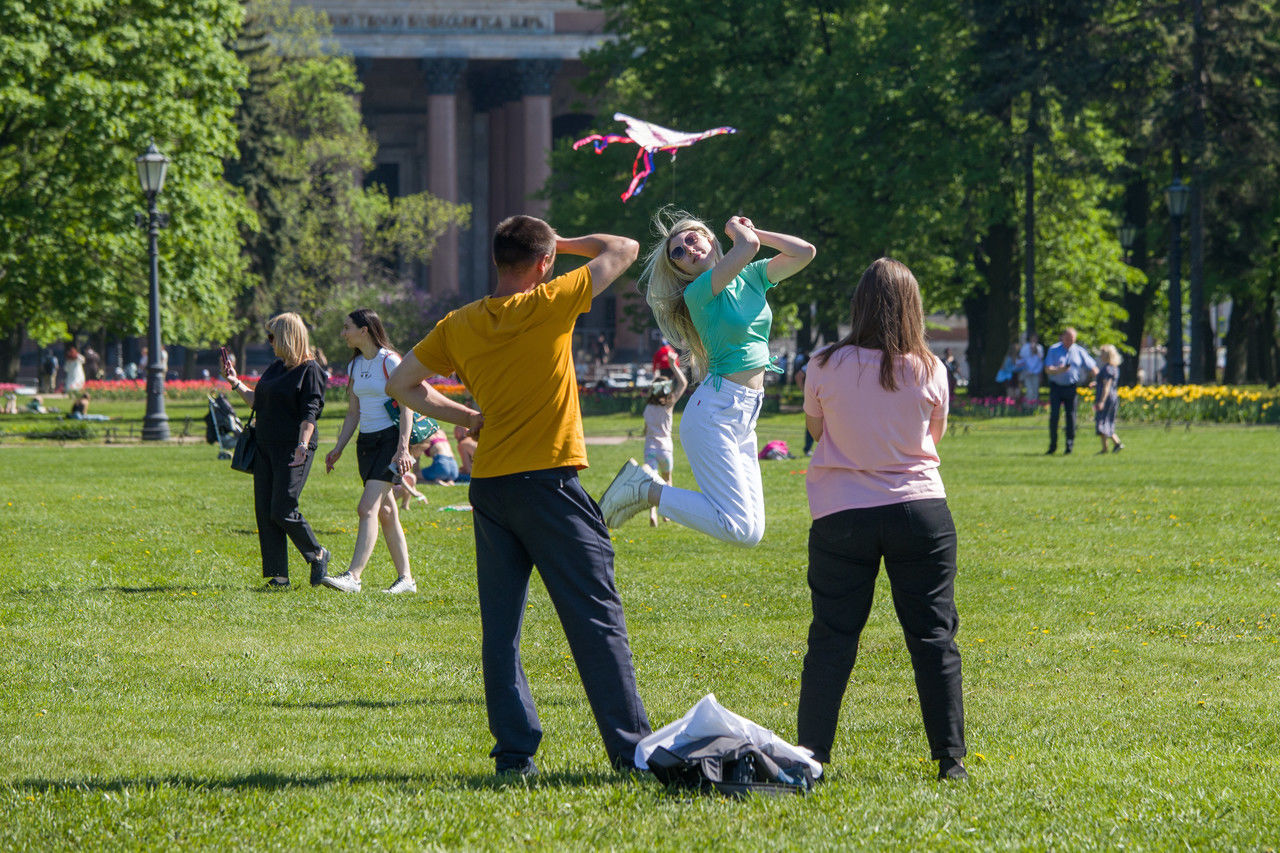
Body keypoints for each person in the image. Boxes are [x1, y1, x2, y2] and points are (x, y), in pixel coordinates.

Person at [386, 214, 650, 776]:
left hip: (492, 489)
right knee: (595, 618)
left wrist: (468, 416)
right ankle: (631, 753)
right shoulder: (551, 300)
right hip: (551, 482)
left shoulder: (458, 324)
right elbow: (622, 245)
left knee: (501, 627)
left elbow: (401, 384)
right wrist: (563, 241)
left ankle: (514, 755)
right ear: (544, 263)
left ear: (496, 262)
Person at [795, 257, 967, 782]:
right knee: (933, 636)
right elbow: (931, 438)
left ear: (859, 304)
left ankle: (812, 757)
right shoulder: (931, 368)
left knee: (831, 637)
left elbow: (815, 428)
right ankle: (950, 760)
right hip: (920, 510)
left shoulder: (823, 365)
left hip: (842, 511)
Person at [599, 208, 816, 544]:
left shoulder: (752, 276)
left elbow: (804, 253)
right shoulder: (697, 293)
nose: (688, 250)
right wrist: (738, 231)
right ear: (681, 270)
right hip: (715, 414)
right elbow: (747, 248)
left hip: (744, 415)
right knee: (738, 528)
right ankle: (645, 489)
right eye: (678, 254)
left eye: (691, 239)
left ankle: (645, 488)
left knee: (752, 532)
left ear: (708, 237)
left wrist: (755, 229)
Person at [322, 309, 470, 594]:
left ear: (364, 330)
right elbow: (353, 413)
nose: (343, 333)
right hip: (366, 443)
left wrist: (403, 449)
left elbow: (408, 407)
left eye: (347, 328)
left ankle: (353, 577)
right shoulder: (355, 366)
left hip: (390, 442)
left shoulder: (390, 361)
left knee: (367, 508)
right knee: (387, 511)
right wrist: (339, 447)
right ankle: (407, 580)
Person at [221, 313, 333, 590]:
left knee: (283, 508)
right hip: (265, 444)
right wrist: (235, 382)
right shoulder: (275, 368)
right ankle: (279, 577)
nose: (269, 342)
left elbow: (310, 413)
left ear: (286, 337)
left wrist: (302, 446)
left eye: (272, 337)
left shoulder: (311, 370)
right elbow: (257, 402)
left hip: (294, 447)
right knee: (265, 511)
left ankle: (317, 553)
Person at [642, 369, 688, 526]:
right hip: (665, 449)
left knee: (652, 483)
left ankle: (652, 513)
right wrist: (672, 365)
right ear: (666, 388)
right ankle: (666, 513)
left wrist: (655, 374)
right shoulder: (668, 405)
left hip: (650, 448)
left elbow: (645, 429)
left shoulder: (648, 408)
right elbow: (683, 383)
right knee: (667, 480)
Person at [1044, 327, 1098, 455]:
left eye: (1072, 339)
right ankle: (1053, 446)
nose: (1070, 341)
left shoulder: (1079, 351)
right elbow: (1047, 369)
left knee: (1071, 416)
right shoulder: (1054, 349)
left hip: (1071, 387)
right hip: (1056, 387)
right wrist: (1059, 370)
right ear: (1062, 337)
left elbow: (1092, 366)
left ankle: (1069, 446)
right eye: (1068, 338)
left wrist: (1098, 379)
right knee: (1054, 416)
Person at [1094, 344, 1124, 453]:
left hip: (1106, 398)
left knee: (1102, 421)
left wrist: (1102, 401)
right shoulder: (1114, 368)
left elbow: (1107, 386)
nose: (1100, 356)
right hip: (1113, 397)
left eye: (1102, 353)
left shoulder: (1107, 369)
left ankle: (1109, 446)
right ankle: (1112, 445)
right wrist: (1096, 384)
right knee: (1107, 421)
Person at [1017, 333, 1044, 405]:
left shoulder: (1040, 348)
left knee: (1035, 390)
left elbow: (1040, 361)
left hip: (1036, 373)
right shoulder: (1025, 347)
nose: (1034, 340)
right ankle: (1027, 406)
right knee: (1029, 390)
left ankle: (1034, 406)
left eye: (1036, 338)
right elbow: (1020, 359)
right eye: (1033, 338)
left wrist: (1036, 351)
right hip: (1026, 372)